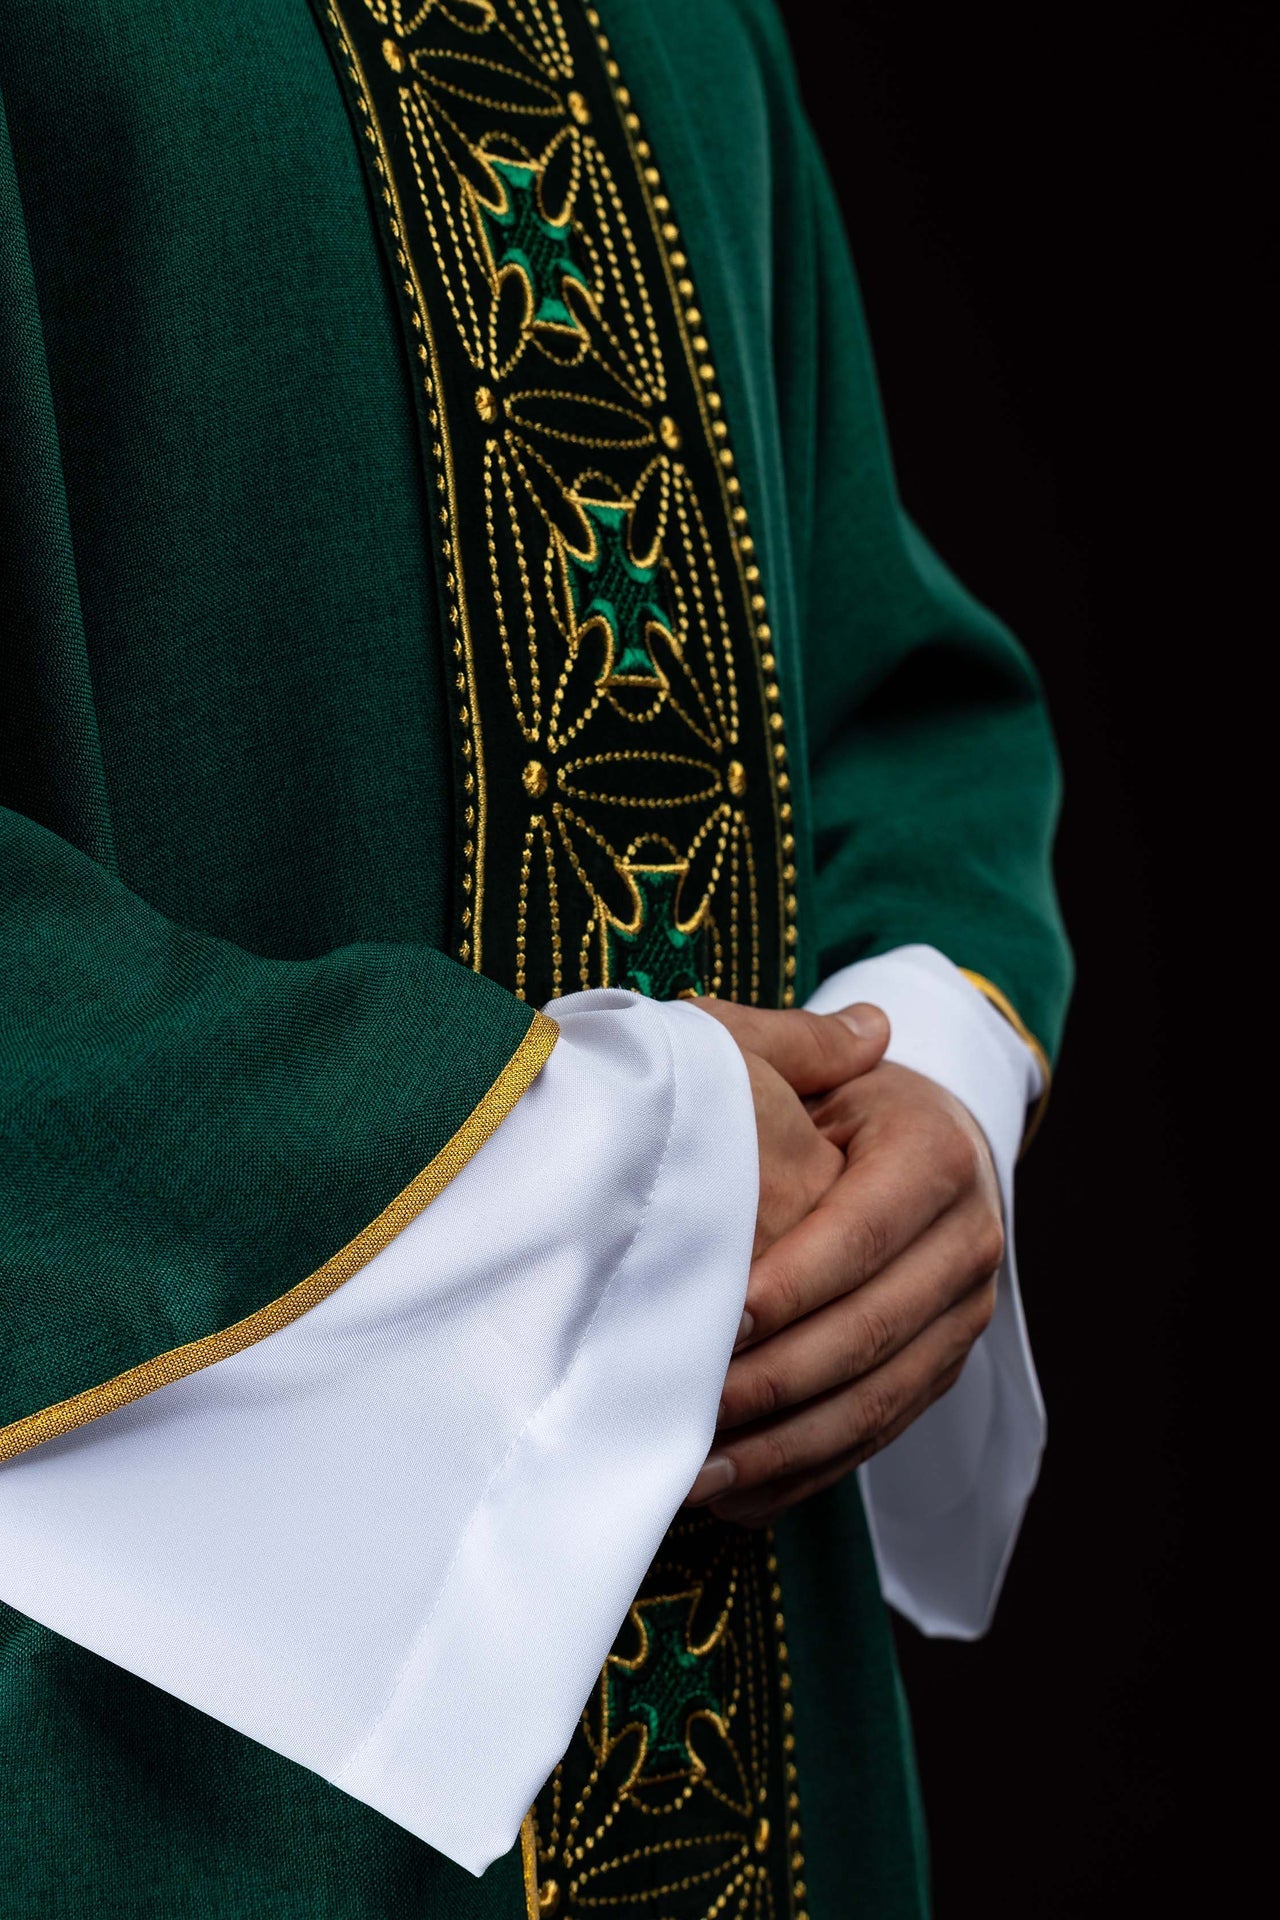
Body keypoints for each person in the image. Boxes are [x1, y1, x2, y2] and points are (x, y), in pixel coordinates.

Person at [0, 2, 1070, 1914]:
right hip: (139, 1727)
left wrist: (929, 1083)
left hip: (760, 1711)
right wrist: (556, 1166)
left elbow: (891, 687)